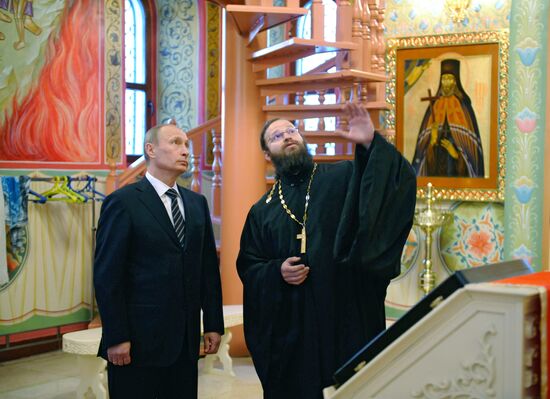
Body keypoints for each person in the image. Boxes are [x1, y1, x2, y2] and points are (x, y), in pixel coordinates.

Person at [237, 103, 417, 398]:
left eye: (291, 130)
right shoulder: (262, 211)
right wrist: (276, 271)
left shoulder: (342, 176)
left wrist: (371, 144)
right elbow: (249, 265)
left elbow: (388, 187)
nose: (288, 136)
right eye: (277, 136)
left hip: (343, 316)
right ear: (268, 155)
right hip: (292, 331)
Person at [93, 122, 224, 398]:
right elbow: (108, 275)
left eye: (187, 144)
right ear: (150, 149)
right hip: (138, 342)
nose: (185, 150)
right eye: (176, 142)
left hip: (186, 343)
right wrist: (116, 336)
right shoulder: (123, 202)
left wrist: (212, 322)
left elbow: (207, 269)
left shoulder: (196, 202)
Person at [412, 58, 485, 177]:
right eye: (443, 79)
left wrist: (456, 154)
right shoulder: (434, 105)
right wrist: (432, 141)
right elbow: (422, 153)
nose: (446, 82)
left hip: (456, 168)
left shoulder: (463, 106)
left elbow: (472, 153)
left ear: (455, 82)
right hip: (435, 166)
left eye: (449, 78)